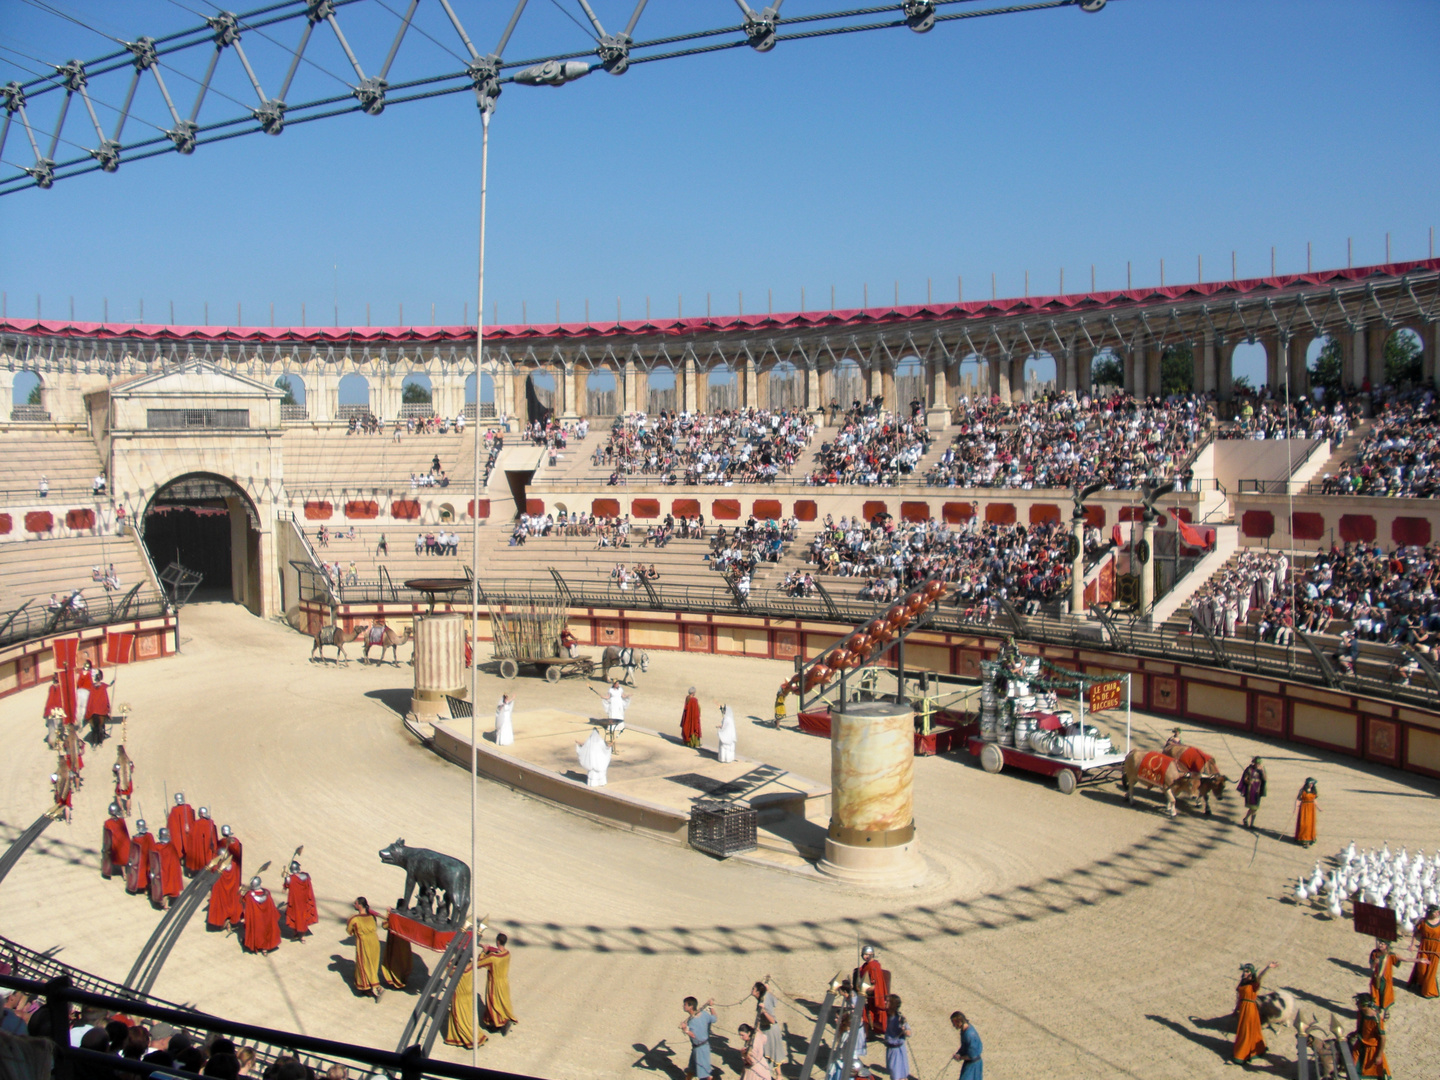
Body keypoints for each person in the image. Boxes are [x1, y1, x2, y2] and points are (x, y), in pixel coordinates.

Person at [1231, 961, 1277, 1064]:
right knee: (1243, 1031)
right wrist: (1235, 1010)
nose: (1244, 973)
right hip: (1243, 1008)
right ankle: (1248, 1051)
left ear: (1251, 973)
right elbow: (1239, 998)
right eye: (1244, 971)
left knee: (1247, 1031)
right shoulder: (1242, 982)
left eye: (1247, 971)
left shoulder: (1254, 984)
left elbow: (1260, 976)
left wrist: (1267, 967)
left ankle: (1242, 1055)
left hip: (1250, 1009)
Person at [475, 931, 517, 1033]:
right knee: (503, 1001)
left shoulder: (493, 957)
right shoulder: (507, 954)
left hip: (494, 983)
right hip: (504, 982)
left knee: (493, 1004)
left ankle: (498, 1024)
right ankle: (505, 1019)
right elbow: (498, 954)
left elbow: (479, 964)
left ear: (497, 941)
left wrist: (483, 952)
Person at [444, 956, 486, 1049]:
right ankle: (458, 1037)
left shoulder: (456, 972)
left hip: (459, 996)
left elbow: (447, 966)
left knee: (459, 1019)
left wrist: (453, 957)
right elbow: (479, 960)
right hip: (469, 995)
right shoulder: (472, 966)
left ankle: (469, 1039)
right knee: (468, 1018)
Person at [207, 826, 244, 930]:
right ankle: (231, 921)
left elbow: (212, 869)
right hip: (232, 889)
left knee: (221, 903)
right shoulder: (234, 865)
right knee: (232, 901)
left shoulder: (218, 866)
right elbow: (238, 851)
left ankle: (223, 921)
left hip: (222, 891)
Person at [347, 897, 383, 1000]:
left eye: (355, 903)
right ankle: (367, 989)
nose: (354, 905)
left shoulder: (354, 919)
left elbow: (349, 931)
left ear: (359, 905)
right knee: (373, 965)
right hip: (375, 942)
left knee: (365, 965)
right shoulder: (372, 916)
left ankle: (377, 987)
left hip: (364, 943)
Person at [1349, 993, 1389, 1079]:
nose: (1357, 1004)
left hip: (1371, 1049)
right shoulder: (1360, 1014)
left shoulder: (1376, 1019)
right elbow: (1361, 1027)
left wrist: (1379, 1055)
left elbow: (1382, 1038)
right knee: (1352, 1069)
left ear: (1365, 1005)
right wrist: (1355, 1033)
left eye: (1359, 1002)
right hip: (1360, 1045)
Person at [853, 945, 888, 1040]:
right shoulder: (865, 966)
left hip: (874, 996)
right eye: (864, 954)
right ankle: (866, 1035)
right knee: (865, 1014)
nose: (865, 956)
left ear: (872, 955)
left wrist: (863, 991)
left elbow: (874, 986)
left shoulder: (873, 967)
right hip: (867, 996)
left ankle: (887, 1034)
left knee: (876, 1016)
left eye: (868, 954)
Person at [680, 996, 717, 1080]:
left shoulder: (692, 1021)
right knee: (691, 1070)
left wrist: (685, 1029)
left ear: (691, 1007)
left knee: (705, 1075)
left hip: (700, 1049)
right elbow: (714, 1018)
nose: (683, 1006)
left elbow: (694, 1035)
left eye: (685, 1005)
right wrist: (711, 1007)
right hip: (699, 1048)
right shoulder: (704, 1014)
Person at [241, 877, 281, 953]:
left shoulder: (249, 895)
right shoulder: (267, 893)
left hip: (256, 918)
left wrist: (242, 893)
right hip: (267, 917)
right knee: (266, 931)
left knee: (257, 931)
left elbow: (243, 901)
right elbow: (271, 906)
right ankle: (264, 949)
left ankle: (257, 946)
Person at [380, 901, 413, 990]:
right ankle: (402, 980)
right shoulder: (409, 917)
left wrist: (388, 914)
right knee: (404, 961)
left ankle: (397, 981)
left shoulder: (394, 917)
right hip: (405, 944)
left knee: (396, 962)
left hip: (395, 944)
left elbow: (385, 925)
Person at [283, 860, 318, 941]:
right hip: (305, 900)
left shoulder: (290, 879)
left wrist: (286, 879)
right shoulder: (306, 876)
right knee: (303, 917)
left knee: (294, 916)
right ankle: (302, 936)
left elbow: (285, 888)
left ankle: (295, 934)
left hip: (295, 902)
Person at [149, 827, 184, 909]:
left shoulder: (155, 846)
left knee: (162, 886)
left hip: (160, 871)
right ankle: (165, 904)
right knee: (168, 886)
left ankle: (162, 903)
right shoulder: (171, 846)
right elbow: (177, 857)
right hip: (169, 870)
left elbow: (152, 859)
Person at [1410, 903, 1440, 998]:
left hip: (1436, 948)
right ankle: (1421, 984)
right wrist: (1412, 945)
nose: (1438, 913)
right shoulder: (1423, 922)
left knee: (1431, 970)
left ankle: (1428, 991)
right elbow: (1416, 933)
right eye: (1436, 912)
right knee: (1422, 968)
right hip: (1424, 946)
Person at [752, 980, 782, 1069]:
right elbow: (775, 1001)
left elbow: (772, 1020)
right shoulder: (765, 996)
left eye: (753, 989)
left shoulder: (764, 1003)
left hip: (770, 1030)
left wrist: (764, 1011)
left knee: (769, 1054)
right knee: (773, 1054)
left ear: (757, 992)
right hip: (768, 1029)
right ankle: (778, 1075)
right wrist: (768, 990)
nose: (751, 990)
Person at [883, 995, 914, 1080]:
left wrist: (904, 1029)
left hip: (897, 1051)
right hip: (890, 1049)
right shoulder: (887, 1015)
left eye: (887, 1001)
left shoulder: (899, 1018)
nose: (885, 1002)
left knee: (898, 1076)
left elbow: (909, 1033)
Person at [100, 801, 131, 880]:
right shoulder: (121, 821)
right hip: (123, 843)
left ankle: (114, 872)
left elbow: (107, 837)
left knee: (110, 853)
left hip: (115, 845)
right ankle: (124, 874)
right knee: (123, 853)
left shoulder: (108, 823)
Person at [126, 818, 155, 896]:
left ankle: (139, 888)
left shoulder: (136, 838)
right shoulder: (149, 836)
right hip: (146, 858)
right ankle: (145, 889)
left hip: (140, 859)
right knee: (145, 873)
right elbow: (153, 847)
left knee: (140, 873)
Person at [950, 1011, 982, 1080]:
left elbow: (972, 1056)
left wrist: (960, 1057)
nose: (953, 1025)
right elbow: (964, 1046)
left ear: (958, 1021)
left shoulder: (969, 1035)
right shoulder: (963, 1030)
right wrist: (959, 1053)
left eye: (954, 1023)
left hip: (973, 1065)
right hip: (969, 1063)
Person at [1237, 757, 1267, 830]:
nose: (1257, 765)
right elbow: (1245, 779)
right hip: (1251, 790)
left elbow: (1265, 779)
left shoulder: (1261, 770)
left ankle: (1249, 821)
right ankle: (1249, 821)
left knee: (1255, 808)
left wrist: (1262, 770)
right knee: (1253, 807)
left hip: (1258, 789)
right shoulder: (1249, 769)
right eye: (1257, 763)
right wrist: (1249, 781)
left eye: (1259, 764)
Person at [168, 792, 196, 869]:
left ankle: (182, 859)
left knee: (179, 844)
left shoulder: (175, 810)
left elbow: (171, 823)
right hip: (187, 832)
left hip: (179, 834)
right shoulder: (188, 808)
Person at [1369, 940, 1399, 1010]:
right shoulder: (1374, 953)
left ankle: (1386, 1010)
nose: (1380, 945)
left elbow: (1404, 959)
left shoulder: (1391, 955)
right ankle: (1376, 1008)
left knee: (1385, 995)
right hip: (1377, 978)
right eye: (1380, 943)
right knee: (1375, 994)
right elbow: (1372, 967)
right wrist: (1374, 962)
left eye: (1383, 944)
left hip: (1386, 979)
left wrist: (1418, 960)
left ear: (1386, 946)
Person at [84, 669, 111, 744]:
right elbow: (105, 698)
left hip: (93, 709)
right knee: (104, 713)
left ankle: (94, 735)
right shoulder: (103, 686)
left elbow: (90, 699)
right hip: (100, 709)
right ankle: (103, 732)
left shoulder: (92, 687)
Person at [189, 807, 218, 872]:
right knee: (208, 857)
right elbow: (214, 835)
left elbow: (191, 835)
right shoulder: (210, 823)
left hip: (199, 846)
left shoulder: (196, 823)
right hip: (208, 845)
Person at [1293, 778, 1319, 847]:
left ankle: (1310, 838)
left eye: (1312, 784)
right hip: (1304, 808)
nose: (1311, 785)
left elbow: (1314, 800)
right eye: (1310, 783)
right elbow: (1298, 800)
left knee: (1310, 824)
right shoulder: (1302, 791)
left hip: (1311, 808)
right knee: (1304, 823)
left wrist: (1319, 808)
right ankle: (1303, 839)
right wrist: (1295, 808)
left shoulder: (1313, 791)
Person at [113, 744, 134, 815]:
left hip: (120, 782)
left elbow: (114, 770)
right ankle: (128, 811)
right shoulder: (128, 760)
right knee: (128, 797)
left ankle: (122, 810)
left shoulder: (118, 761)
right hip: (128, 781)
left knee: (118, 797)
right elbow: (132, 769)